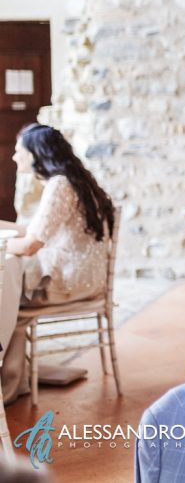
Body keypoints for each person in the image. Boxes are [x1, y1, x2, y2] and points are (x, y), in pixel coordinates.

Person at [0, 124, 115, 404]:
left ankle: (9, 387)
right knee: (10, 278)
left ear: (36, 155)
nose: (15, 157)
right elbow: (38, 230)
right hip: (85, 277)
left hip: (68, 284)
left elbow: (30, 245)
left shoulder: (59, 186)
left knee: (8, 282)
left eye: (19, 152)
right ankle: (15, 380)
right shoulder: (74, 181)